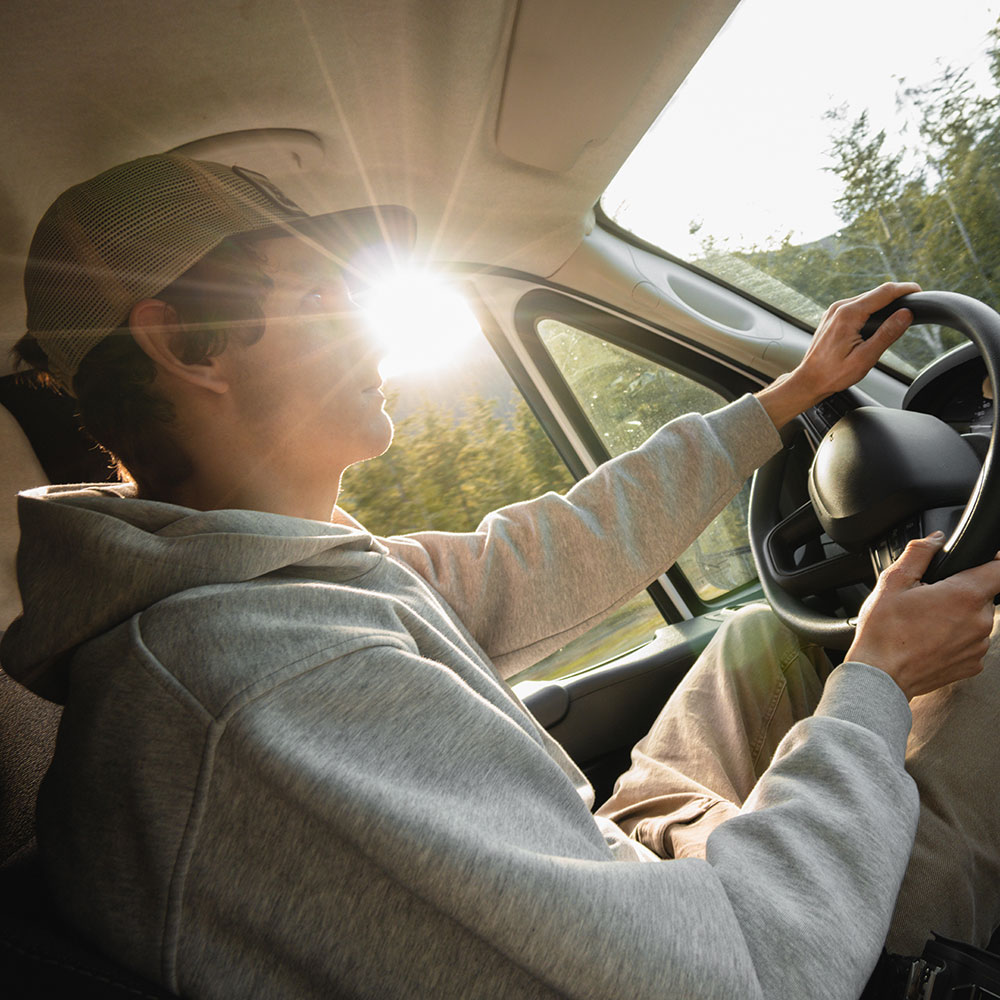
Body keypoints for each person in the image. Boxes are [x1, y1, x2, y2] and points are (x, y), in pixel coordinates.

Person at [2, 153, 999, 1000]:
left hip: (626, 904)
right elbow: (749, 974)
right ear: (184, 346)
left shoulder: (276, 576)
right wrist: (875, 684)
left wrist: (784, 400)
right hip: (772, 956)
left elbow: (543, 553)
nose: (374, 333)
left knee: (757, 638)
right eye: (317, 300)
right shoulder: (266, 680)